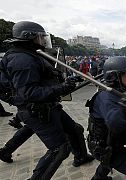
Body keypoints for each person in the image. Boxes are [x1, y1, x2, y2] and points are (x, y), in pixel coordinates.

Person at [0, 21, 94, 179]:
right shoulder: (23, 60)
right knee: (59, 149)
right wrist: (62, 88)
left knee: (75, 130)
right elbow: (29, 92)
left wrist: (67, 82)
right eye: (40, 37)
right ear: (29, 37)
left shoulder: (30, 54)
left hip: (47, 106)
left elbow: (45, 78)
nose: (44, 40)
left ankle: (81, 157)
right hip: (36, 110)